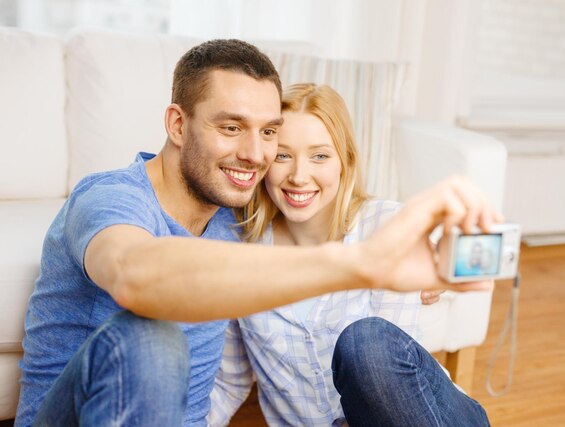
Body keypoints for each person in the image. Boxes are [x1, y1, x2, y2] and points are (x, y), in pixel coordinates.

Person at [15, 38, 497, 427]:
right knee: (151, 338)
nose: (255, 154)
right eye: (231, 127)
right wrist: (360, 264)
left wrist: (431, 256)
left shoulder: (235, 221)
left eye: (268, 132)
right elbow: (135, 276)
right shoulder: (109, 200)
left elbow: (330, 210)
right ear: (177, 125)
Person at [209, 83, 491, 426]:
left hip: (427, 416)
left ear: (346, 162)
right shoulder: (240, 254)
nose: (299, 176)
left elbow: (386, 380)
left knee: (365, 342)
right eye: (283, 155)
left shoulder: (388, 227)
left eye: (320, 156)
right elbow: (229, 382)